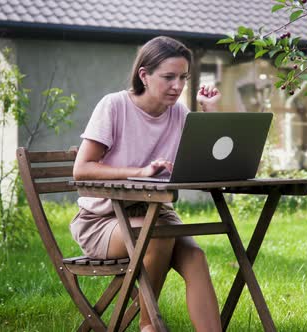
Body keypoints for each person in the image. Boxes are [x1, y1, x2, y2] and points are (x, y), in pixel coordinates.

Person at [70, 36, 222, 332]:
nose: (178, 86)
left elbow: (209, 163)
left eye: (183, 77)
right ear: (144, 75)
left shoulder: (178, 113)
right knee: (159, 235)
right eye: (168, 77)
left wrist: (209, 112)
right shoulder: (114, 106)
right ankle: (148, 326)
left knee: (196, 256)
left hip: (157, 214)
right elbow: (82, 169)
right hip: (104, 221)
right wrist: (140, 171)